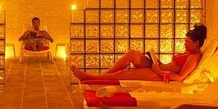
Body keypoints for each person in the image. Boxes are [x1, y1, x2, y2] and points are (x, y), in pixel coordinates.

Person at [71, 24, 207, 82]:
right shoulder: (189, 52)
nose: (184, 44)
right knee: (132, 53)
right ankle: (104, 75)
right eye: (184, 41)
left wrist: (158, 70)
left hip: (159, 75)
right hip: (158, 67)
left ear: (197, 43)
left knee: (122, 74)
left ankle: (89, 77)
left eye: (187, 42)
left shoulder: (194, 58)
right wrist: (156, 61)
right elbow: (173, 66)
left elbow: (180, 78)